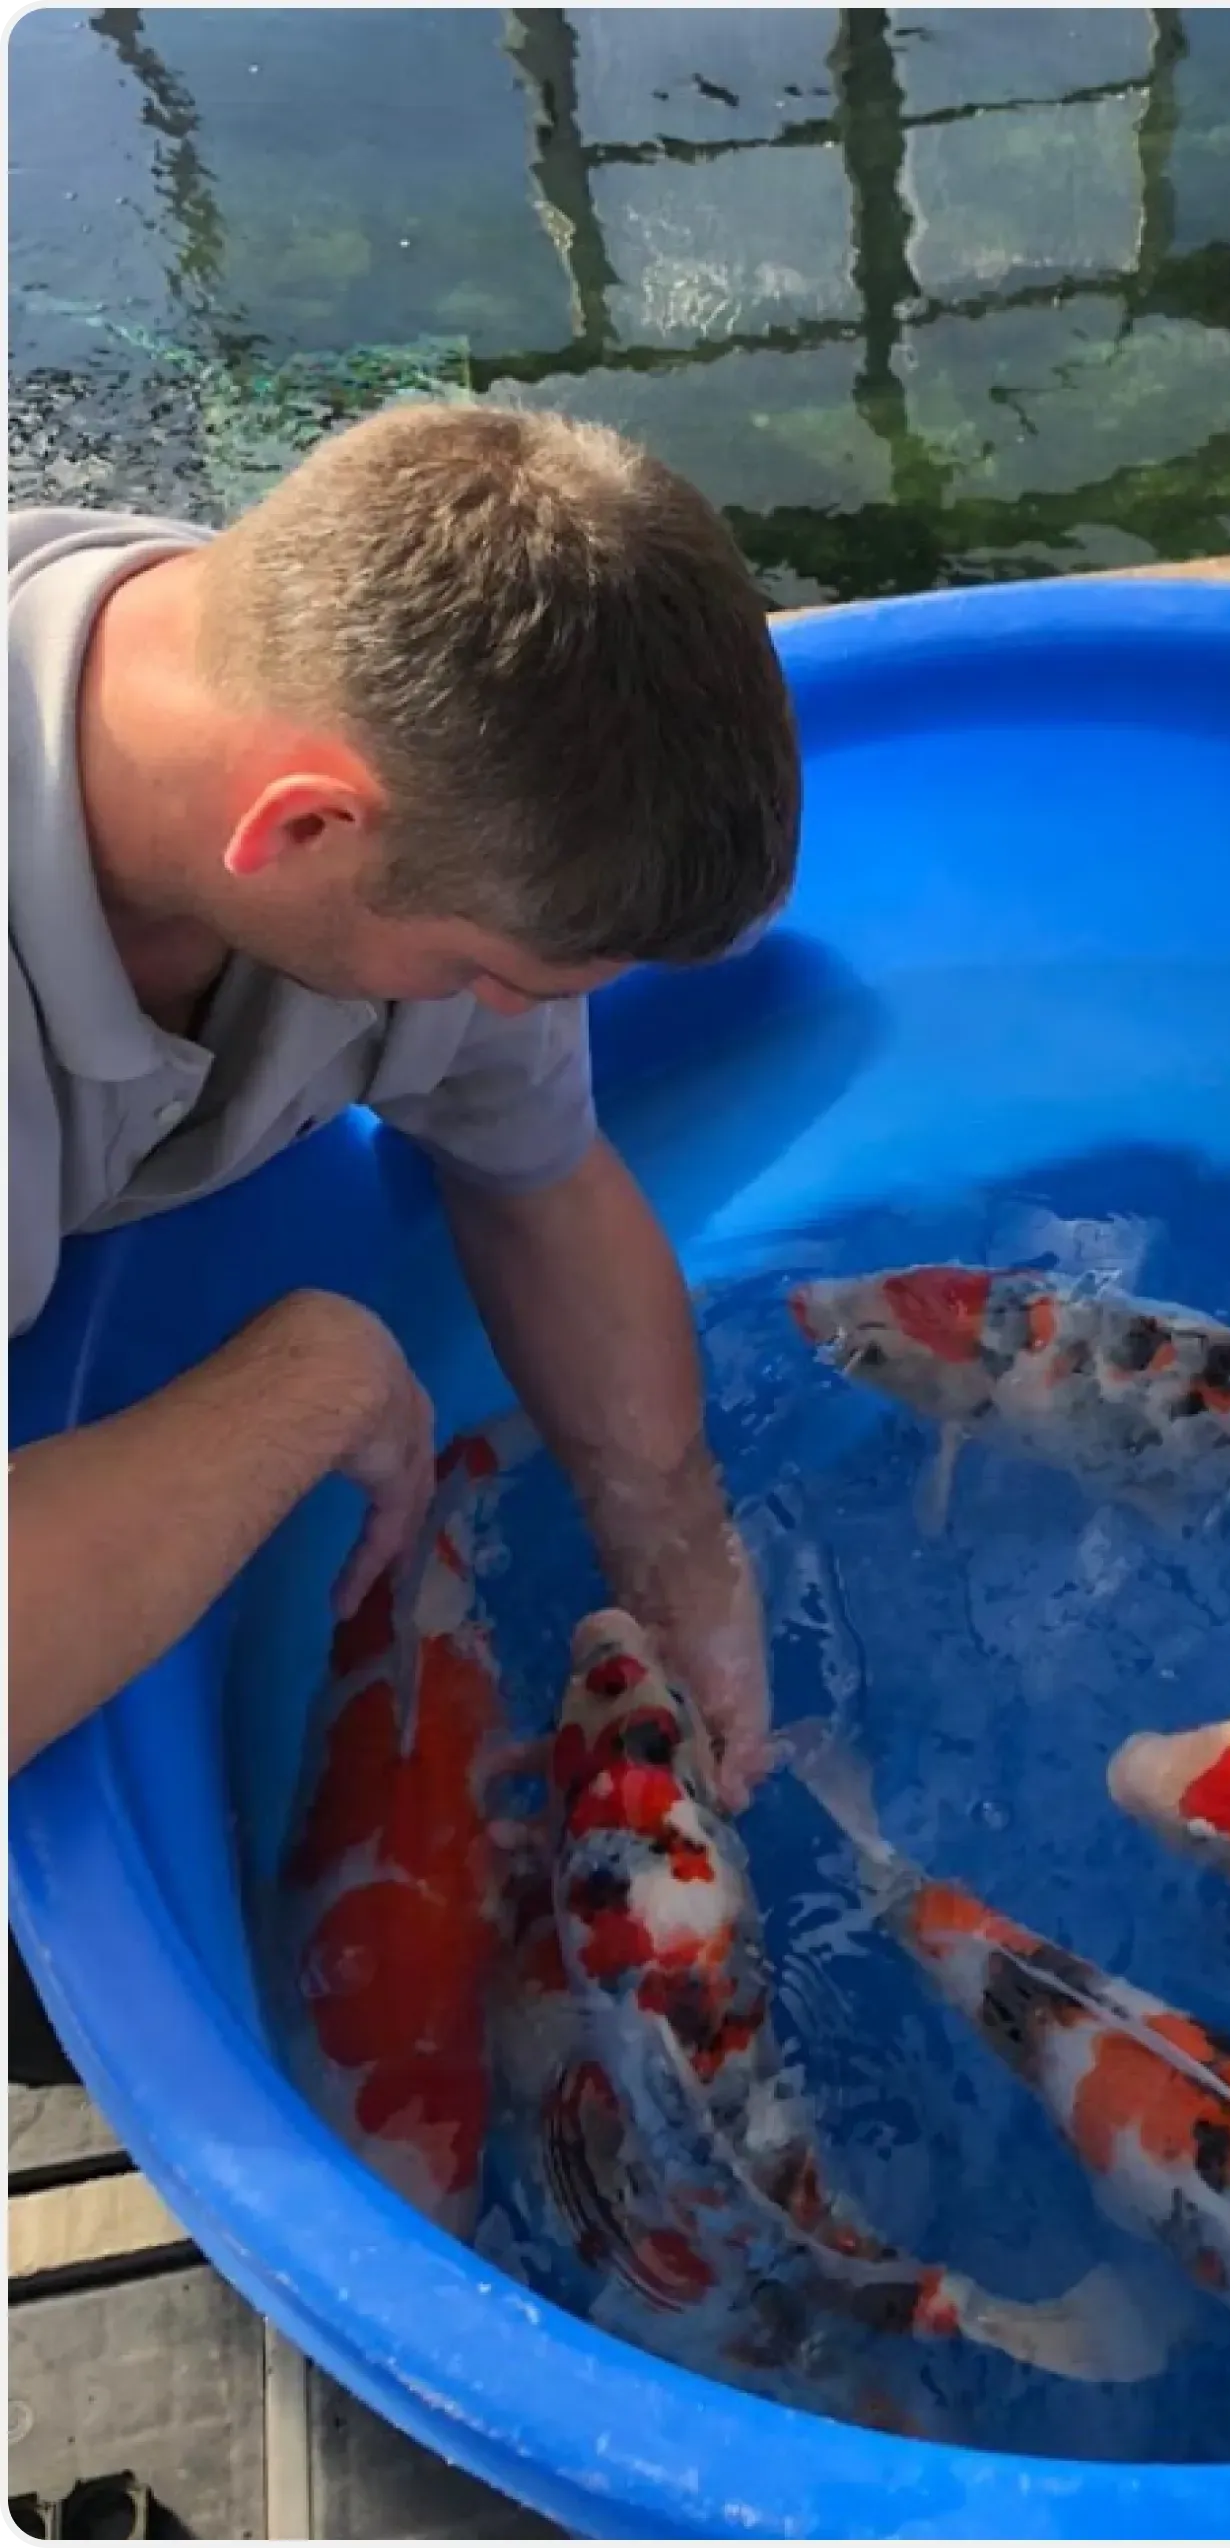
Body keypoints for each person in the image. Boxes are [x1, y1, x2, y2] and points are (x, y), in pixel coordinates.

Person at [9, 403, 800, 1810]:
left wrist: (678, 1549)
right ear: (303, 829)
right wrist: (307, 1382)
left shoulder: (348, 702)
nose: (503, 1017)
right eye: (481, 974)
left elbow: (539, 1180)